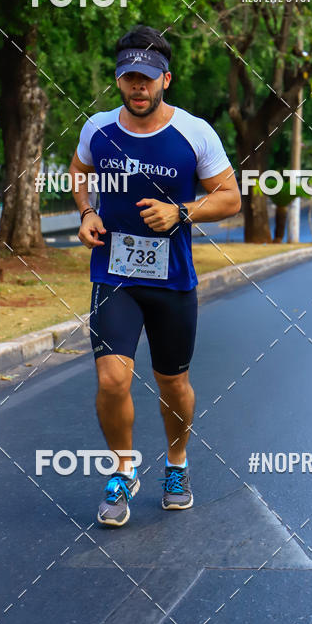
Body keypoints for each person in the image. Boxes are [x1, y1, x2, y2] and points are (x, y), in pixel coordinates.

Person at [69, 26, 241, 527]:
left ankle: (177, 464)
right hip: (115, 275)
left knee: (173, 383)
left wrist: (181, 213)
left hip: (173, 282)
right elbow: (78, 170)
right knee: (111, 378)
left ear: (166, 79)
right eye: (128, 79)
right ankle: (123, 470)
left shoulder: (195, 133)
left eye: (146, 79)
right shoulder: (98, 129)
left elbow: (229, 198)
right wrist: (86, 211)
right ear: (119, 82)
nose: (137, 88)